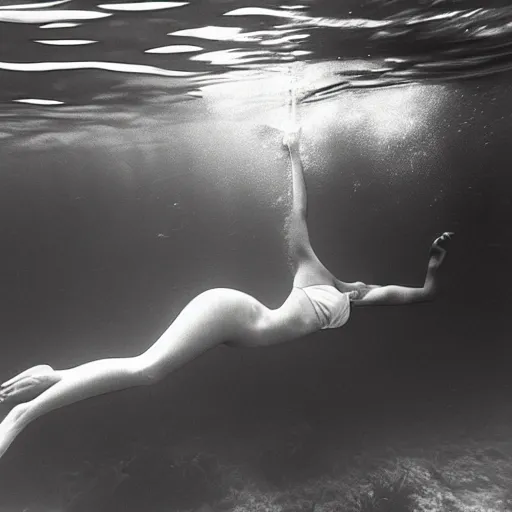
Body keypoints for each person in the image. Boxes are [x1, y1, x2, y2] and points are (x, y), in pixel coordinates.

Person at [0, 129, 453, 459]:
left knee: (143, 364)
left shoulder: (354, 296)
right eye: (360, 285)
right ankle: (23, 416)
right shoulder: (312, 267)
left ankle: (54, 376)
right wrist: (293, 152)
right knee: (148, 370)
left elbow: (408, 296)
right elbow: (299, 209)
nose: (362, 286)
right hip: (232, 314)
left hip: (233, 326)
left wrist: (431, 273)